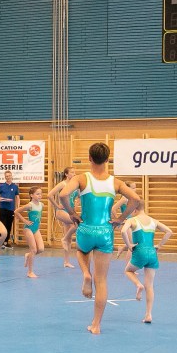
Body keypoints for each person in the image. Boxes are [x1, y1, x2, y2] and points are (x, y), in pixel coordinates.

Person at [58, 142, 141, 335]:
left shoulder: (81, 178)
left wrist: (72, 213)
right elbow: (136, 199)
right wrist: (120, 218)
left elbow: (63, 195)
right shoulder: (115, 182)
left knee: (81, 251)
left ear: (89, 158)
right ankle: (96, 325)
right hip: (105, 232)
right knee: (101, 280)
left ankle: (85, 273)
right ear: (107, 160)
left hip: (86, 228)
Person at [121, 208, 173, 324]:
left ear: (135, 209)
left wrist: (129, 245)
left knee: (128, 271)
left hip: (140, 251)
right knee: (149, 286)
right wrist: (159, 245)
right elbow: (169, 231)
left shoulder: (132, 220)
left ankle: (138, 284)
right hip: (152, 253)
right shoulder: (153, 221)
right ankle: (148, 314)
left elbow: (123, 231)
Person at [49, 167, 79, 268]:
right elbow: (50, 195)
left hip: (70, 212)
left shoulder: (74, 186)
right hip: (61, 211)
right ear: (66, 174)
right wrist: (57, 206)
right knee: (77, 223)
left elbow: (79, 197)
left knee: (69, 239)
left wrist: (76, 205)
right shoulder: (63, 184)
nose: (74, 174)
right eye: (72, 172)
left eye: (74, 172)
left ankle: (66, 262)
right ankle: (64, 239)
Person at [14, 187, 44, 278]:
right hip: (29, 228)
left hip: (36, 229)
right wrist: (24, 221)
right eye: (37, 194)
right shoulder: (29, 205)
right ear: (31, 195)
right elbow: (16, 211)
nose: (40, 195)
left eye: (41, 194)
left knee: (41, 249)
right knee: (34, 250)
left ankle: (28, 255)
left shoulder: (42, 205)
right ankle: (30, 272)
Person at [0, 171, 20, 247]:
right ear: (5, 177)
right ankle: (0, 241)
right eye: (6, 176)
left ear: (11, 176)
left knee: (9, 225)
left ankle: (6, 242)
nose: (8, 177)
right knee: (2, 225)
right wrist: (0, 199)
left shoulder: (15, 186)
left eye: (9, 175)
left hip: (11, 209)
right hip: (2, 208)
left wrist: (17, 208)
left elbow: (17, 197)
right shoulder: (2, 186)